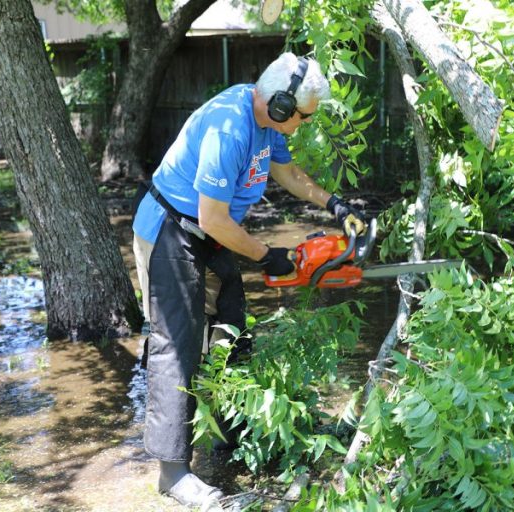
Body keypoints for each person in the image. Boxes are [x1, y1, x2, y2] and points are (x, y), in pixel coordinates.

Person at [131, 52, 366, 509]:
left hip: (211, 234)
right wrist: (267, 256)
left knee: (233, 331)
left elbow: (286, 172)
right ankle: (173, 473)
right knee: (177, 345)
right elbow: (212, 216)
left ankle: (229, 434)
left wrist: (337, 206)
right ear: (280, 105)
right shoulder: (230, 127)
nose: (302, 124)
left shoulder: (266, 124)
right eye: (302, 116)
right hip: (171, 228)